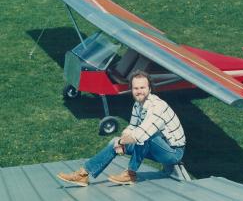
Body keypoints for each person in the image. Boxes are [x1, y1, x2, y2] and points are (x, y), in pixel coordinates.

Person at [57, 70, 186, 186]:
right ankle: (83, 174)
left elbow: (140, 134)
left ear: (149, 89)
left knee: (145, 137)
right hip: (155, 147)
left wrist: (122, 142)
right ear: (131, 89)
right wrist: (120, 140)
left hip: (172, 153)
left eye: (142, 87)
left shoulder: (157, 107)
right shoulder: (138, 104)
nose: (139, 91)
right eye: (136, 88)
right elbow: (132, 126)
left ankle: (130, 174)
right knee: (114, 141)